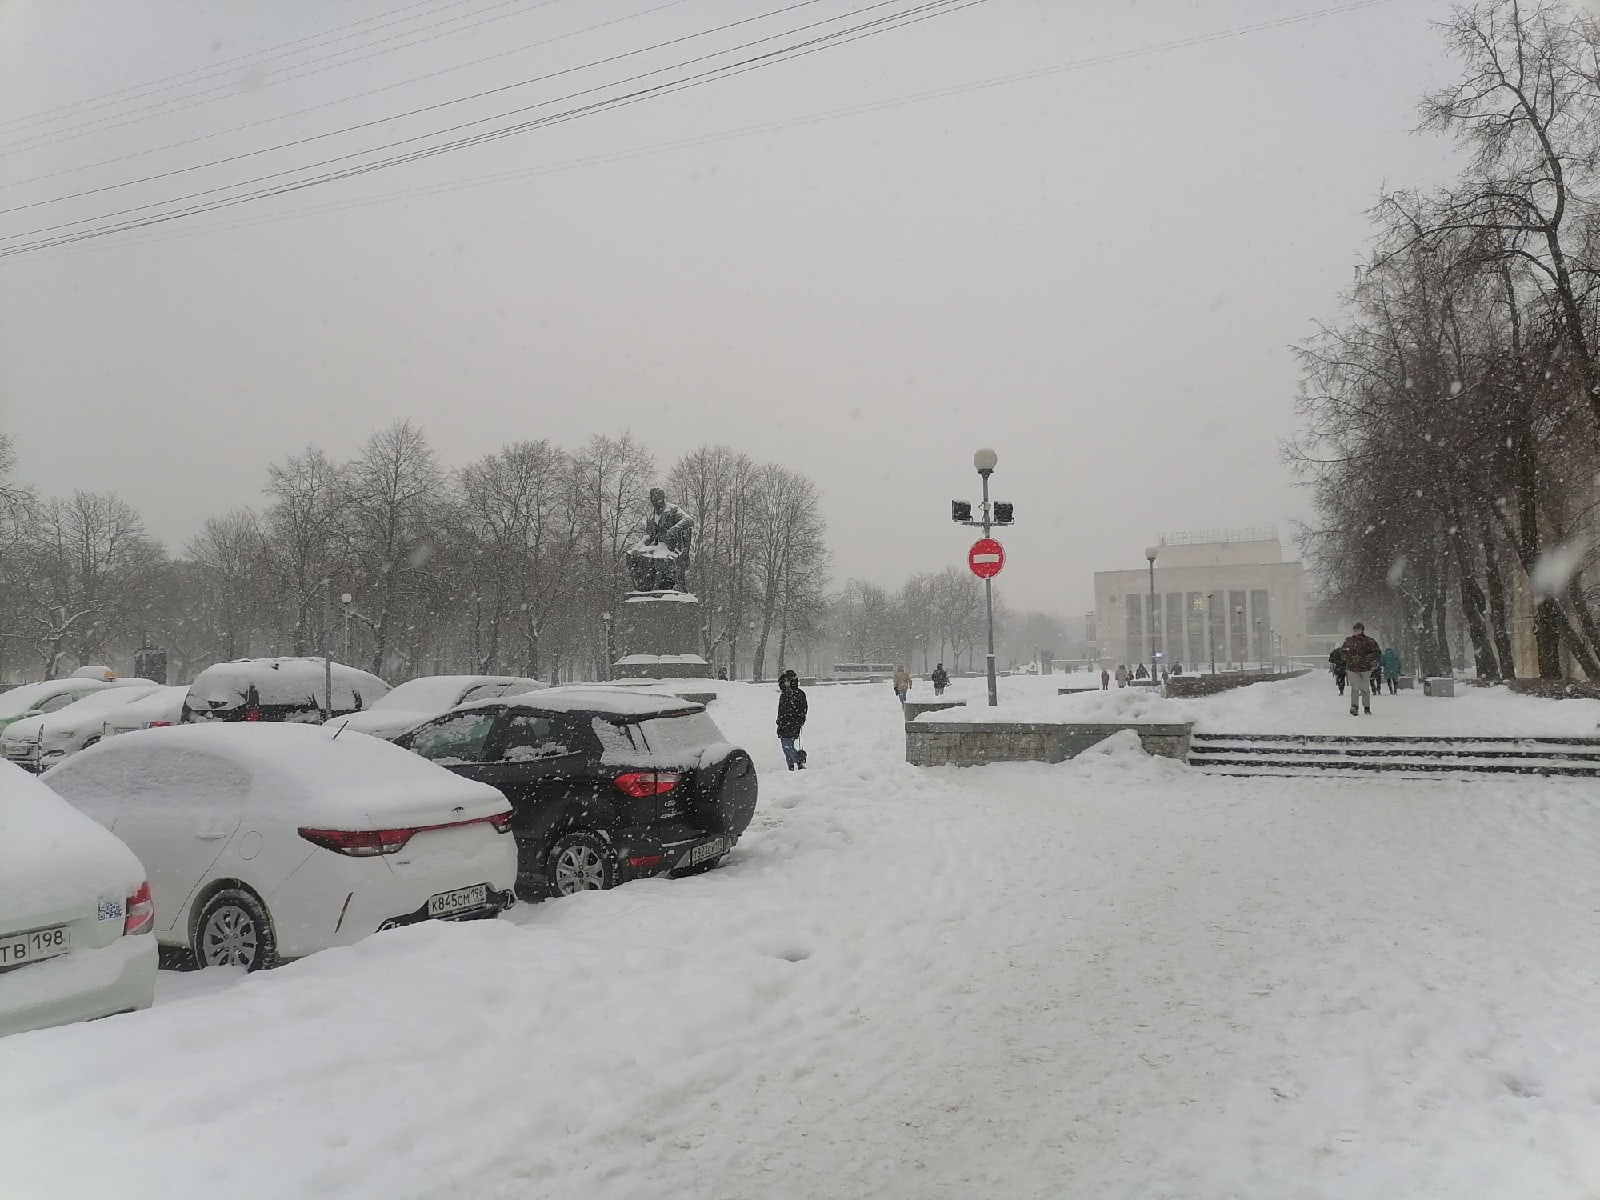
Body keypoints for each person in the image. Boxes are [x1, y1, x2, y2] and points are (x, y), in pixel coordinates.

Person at [1339, 622, 1381, 716]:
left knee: (1365, 688)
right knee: (1355, 687)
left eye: (1358, 629)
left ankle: (1366, 707)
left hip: (1365, 668)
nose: (1356, 631)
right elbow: (1343, 652)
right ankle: (1354, 707)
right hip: (1352, 668)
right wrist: (1347, 657)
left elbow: (1377, 652)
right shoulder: (1349, 641)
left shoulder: (1369, 641)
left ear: (1362, 630)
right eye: (1355, 630)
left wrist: (1367, 659)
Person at [776, 669, 808, 770]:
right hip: (783, 724)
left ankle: (798, 762)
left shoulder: (799, 694)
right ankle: (791, 766)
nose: (786, 683)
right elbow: (780, 709)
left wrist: (800, 719)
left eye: (787, 680)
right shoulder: (784, 695)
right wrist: (779, 721)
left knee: (787, 746)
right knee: (785, 747)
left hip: (793, 724)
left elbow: (804, 708)